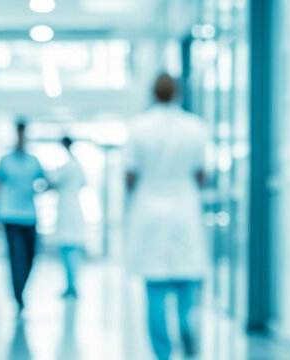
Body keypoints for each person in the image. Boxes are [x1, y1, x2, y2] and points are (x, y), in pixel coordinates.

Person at [124, 73, 211, 360]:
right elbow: (201, 174)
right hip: (184, 207)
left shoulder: (138, 127)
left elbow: (130, 175)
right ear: (178, 93)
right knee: (186, 282)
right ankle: (187, 325)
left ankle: (163, 353)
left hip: (149, 209)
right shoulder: (194, 126)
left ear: (152, 93)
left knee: (155, 288)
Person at [0, 120, 46, 314]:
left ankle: (21, 288)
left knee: (29, 256)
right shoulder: (5, 160)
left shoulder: (33, 161)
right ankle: (17, 294)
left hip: (29, 216)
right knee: (15, 256)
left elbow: (44, 183)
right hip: (10, 215)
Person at [48, 136, 87, 298]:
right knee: (72, 249)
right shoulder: (77, 165)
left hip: (67, 209)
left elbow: (52, 182)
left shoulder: (67, 166)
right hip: (74, 208)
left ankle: (71, 285)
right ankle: (71, 284)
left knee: (68, 248)